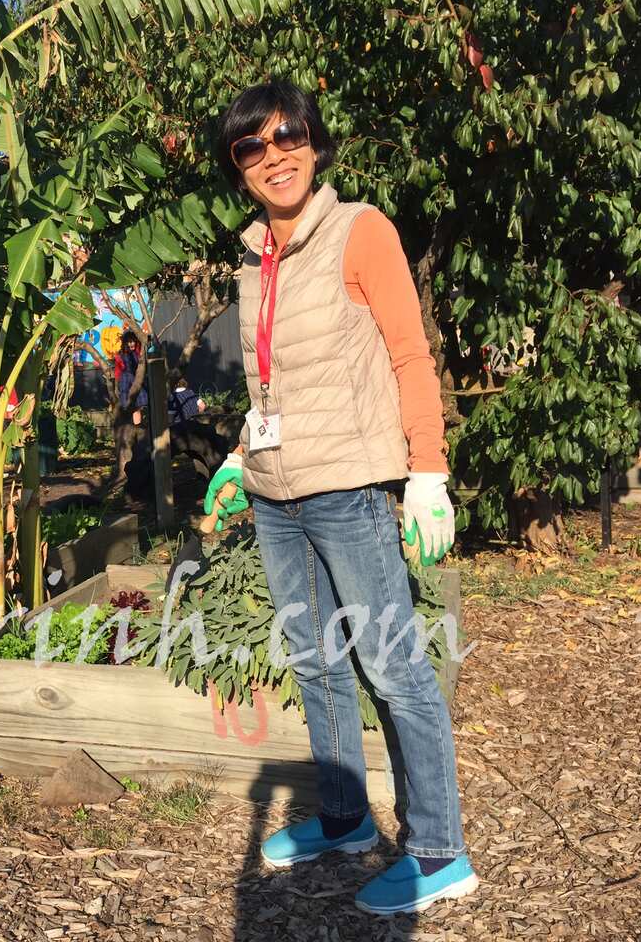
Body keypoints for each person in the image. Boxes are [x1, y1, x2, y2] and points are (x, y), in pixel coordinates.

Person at [202, 81, 476, 915]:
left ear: (314, 144)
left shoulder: (361, 230)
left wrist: (427, 473)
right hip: (276, 495)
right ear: (239, 168)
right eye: (252, 146)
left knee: (393, 665)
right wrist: (238, 457)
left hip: (348, 490)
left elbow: (409, 354)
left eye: (288, 135)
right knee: (314, 657)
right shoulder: (255, 259)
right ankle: (347, 818)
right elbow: (273, 385)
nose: (273, 155)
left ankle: (439, 850)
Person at [114, 330, 148, 425]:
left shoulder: (138, 352)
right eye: (129, 342)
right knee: (132, 405)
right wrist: (117, 385)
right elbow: (119, 371)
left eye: (133, 341)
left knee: (138, 406)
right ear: (125, 343)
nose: (131, 344)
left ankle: (138, 424)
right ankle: (136, 424)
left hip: (137, 378)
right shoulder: (122, 354)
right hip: (127, 381)